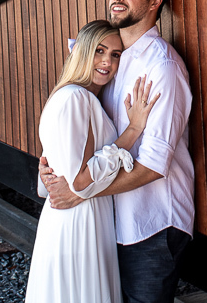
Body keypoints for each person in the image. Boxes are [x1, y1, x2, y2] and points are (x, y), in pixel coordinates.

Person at [41, 0, 194, 303]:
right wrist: (55, 164)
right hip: (113, 221)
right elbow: (85, 135)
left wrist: (81, 191)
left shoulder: (162, 67)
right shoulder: (112, 62)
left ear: (155, 2)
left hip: (151, 223)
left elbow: (155, 165)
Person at [25, 20, 161, 303]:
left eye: (115, 54)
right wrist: (133, 130)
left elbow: (51, 179)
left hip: (68, 220)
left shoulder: (68, 96)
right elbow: (81, 182)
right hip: (80, 225)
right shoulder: (78, 99)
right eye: (99, 51)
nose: (107, 62)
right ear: (83, 51)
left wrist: (50, 176)